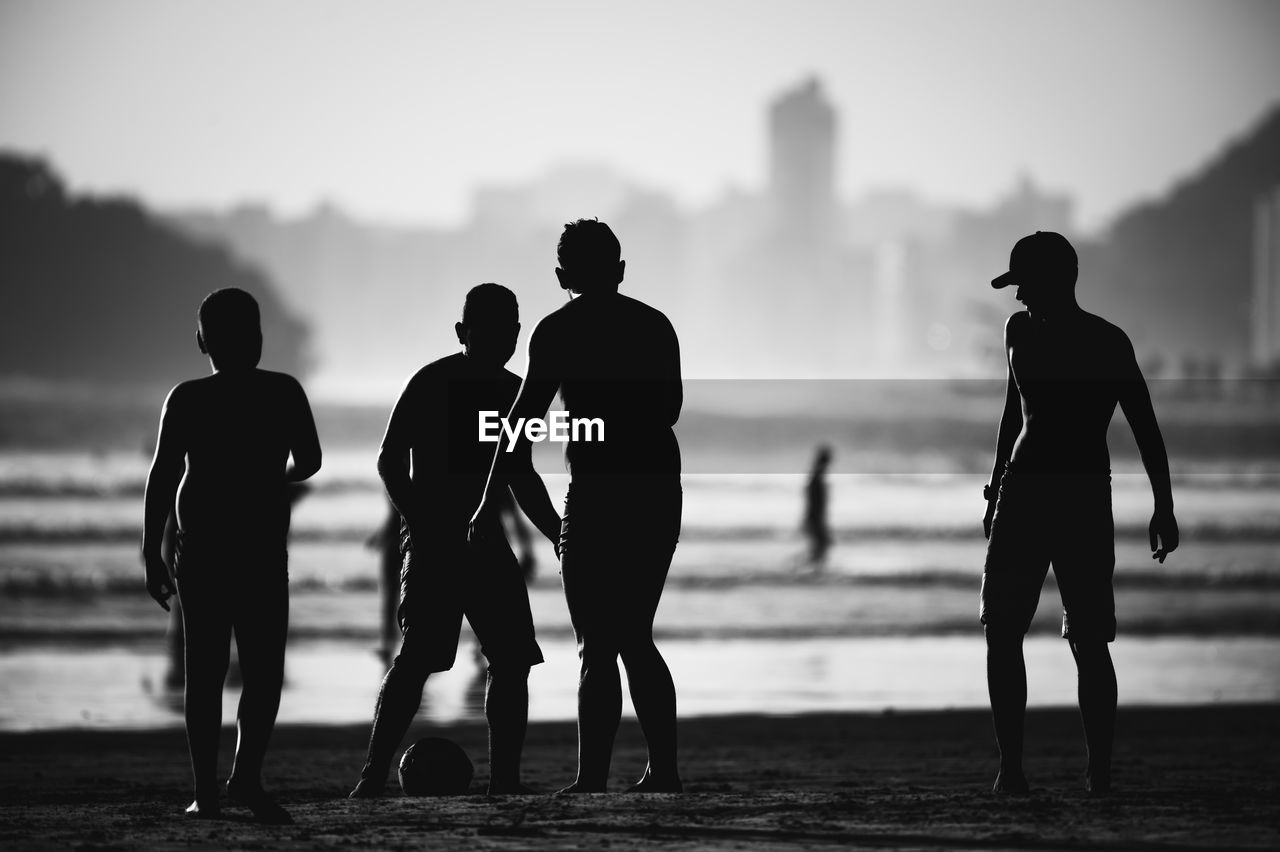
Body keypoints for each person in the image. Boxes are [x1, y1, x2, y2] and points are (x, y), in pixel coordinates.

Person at [471, 219, 684, 794]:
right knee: (636, 634)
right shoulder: (656, 326)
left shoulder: (557, 331)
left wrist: (501, 505)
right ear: (619, 270)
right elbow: (669, 411)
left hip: (595, 496)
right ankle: (662, 770)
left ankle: (593, 778)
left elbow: (516, 433)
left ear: (562, 276)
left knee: (597, 641)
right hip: (658, 490)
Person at [980, 231, 1179, 796]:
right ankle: (1011, 768)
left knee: (1089, 639)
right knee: (1001, 628)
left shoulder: (1107, 342)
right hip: (1021, 492)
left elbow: (1145, 424)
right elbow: (1010, 415)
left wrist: (1163, 505)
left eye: (1025, 286)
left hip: (1083, 496)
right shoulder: (1016, 332)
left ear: (1056, 282)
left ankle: (1100, 773)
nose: (1018, 299)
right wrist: (995, 489)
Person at [349, 283, 561, 798]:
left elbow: (520, 474)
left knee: (510, 662)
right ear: (463, 332)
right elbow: (388, 459)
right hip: (431, 543)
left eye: (510, 329)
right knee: (421, 656)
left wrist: (556, 530)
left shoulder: (516, 392)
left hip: (487, 543)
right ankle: (373, 775)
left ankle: (505, 782)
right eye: (488, 329)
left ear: (517, 335)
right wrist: (420, 521)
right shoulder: (431, 381)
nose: (502, 338)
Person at [142, 287, 321, 822]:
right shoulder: (284, 391)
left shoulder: (188, 397)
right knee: (264, 669)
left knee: (206, 670)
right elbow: (309, 460)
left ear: (202, 341)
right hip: (261, 546)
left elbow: (163, 474)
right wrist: (269, 479)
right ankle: (244, 777)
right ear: (260, 339)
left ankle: (209, 792)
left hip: (204, 548)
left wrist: (151, 550)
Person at [803, 445, 833, 566]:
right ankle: (815, 571)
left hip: (815, 517)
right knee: (821, 546)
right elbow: (815, 502)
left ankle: (814, 570)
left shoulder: (816, 475)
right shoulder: (817, 477)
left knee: (820, 546)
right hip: (815, 518)